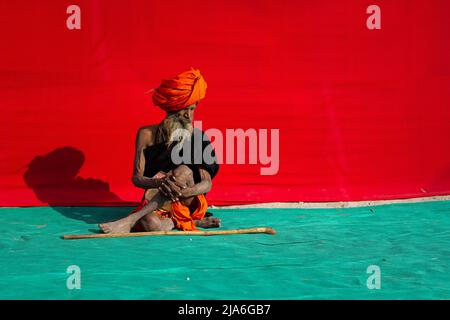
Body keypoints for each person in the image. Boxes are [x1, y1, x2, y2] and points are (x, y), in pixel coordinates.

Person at [99, 68, 220, 234]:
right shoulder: (146, 134)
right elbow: (137, 178)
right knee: (149, 224)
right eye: (183, 110)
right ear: (170, 110)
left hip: (188, 200)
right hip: (157, 200)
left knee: (182, 171)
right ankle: (187, 222)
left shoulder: (198, 137)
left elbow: (207, 184)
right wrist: (160, 183)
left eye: (192, 109)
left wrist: (183, 191)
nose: (189, 116)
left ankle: (129, 221)